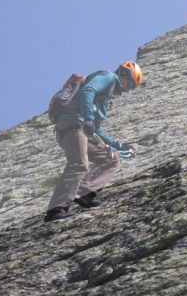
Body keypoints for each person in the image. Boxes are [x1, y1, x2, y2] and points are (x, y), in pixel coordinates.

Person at [44, 60, 144, 222]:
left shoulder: (105, 98)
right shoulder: (109, 77)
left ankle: (85, 191)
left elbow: (96, 129)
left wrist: (116, 145)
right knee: (79, 164)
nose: (128, 90)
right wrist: (89, 117)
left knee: (111, 159)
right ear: (125, 75)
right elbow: (87, 91)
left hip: (80, 129)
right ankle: (56, 209)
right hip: (73, 125)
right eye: (131, 85)